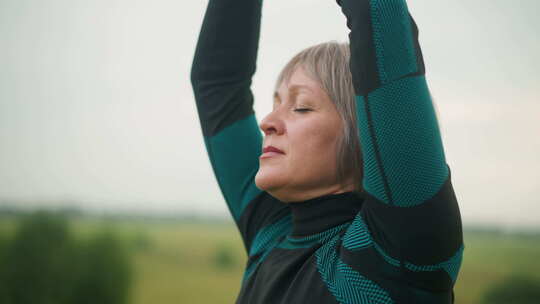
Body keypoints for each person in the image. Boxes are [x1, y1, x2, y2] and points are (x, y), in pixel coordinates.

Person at [190, 0, 463, 303]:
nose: (267, 123)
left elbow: (379, 19)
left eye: (301, 107)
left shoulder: (395, 252)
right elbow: (217, 82)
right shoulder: (271, 231)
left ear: (367, 133)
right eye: (275, 103)